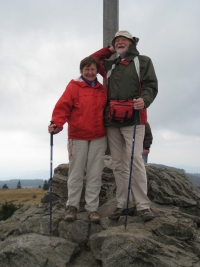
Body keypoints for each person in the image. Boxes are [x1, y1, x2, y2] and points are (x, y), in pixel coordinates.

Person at [90, 30, 158, 221]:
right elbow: (91, 60)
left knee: (135, 160)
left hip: (135, 118)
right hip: (112, 120)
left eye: (123, 40)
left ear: (132, 43)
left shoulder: (143, 61)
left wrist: (144, 100)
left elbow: (151, 85)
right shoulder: (111, 64)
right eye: (117, 41)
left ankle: (143, 206)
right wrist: (108, 50)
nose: (120, 43)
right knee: (118, 164)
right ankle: (123, 204)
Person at [48, 56, 107, 224]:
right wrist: (56, 125)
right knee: (76, 174)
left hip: (98, 137)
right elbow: (62, 108)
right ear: (82, 71)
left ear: (97, 71)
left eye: (93, 69)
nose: (89, 72)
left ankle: (92, 209)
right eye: (86, 69)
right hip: (78, 137)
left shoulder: (102, 90)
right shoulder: (73, 87)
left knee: (95, 174)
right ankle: (72, 207)